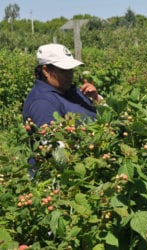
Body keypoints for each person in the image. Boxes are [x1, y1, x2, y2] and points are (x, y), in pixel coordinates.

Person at [23, 43, 102, 178]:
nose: (70, 75)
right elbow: (55, 148)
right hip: (61, 179)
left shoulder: (70, 90)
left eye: (71, 69)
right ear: (46, 71)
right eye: (64, 70)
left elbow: (105, 120)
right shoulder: (42, 102)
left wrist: (96, 99)